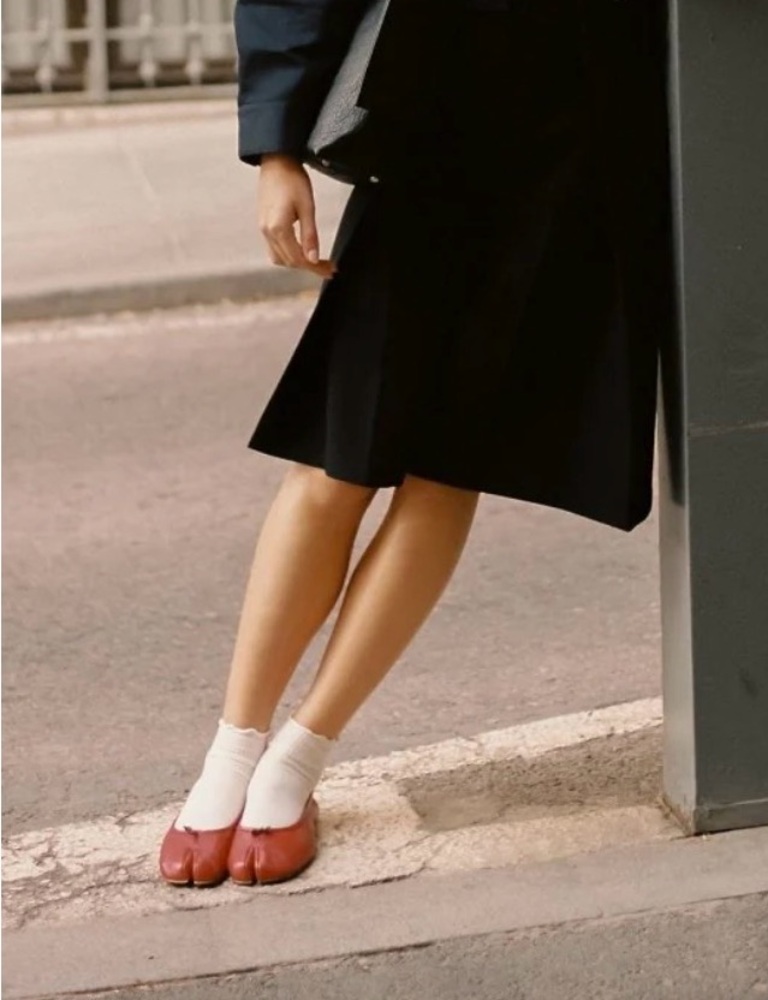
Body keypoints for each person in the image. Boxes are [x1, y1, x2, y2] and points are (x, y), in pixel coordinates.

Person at [158, 0, 675, 888]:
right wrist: (276, 149)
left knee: (448, 469)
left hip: (588, 147)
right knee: (335, 456)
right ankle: (231, 752)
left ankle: (298, 758)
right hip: (433, 126)